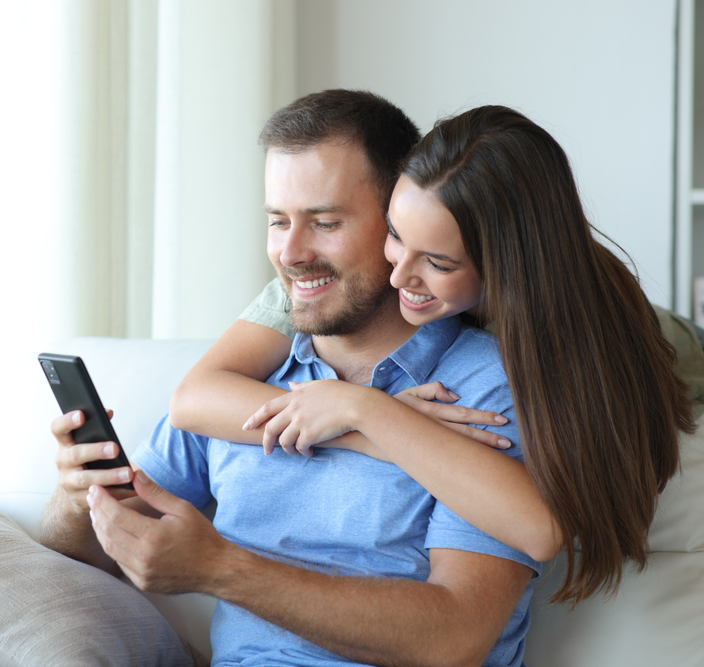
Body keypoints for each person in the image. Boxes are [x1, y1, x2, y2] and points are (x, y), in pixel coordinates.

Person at [39, 90, 539, 667]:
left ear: (400, 222)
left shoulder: (480, 387)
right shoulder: (243, 384)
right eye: (278, 221)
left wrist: (221, 570)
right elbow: (97, 552)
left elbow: (455, 637)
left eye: (325, 223)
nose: (291, 253)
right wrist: (77, 500)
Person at [170, 102, 697, 604]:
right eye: (396, 236)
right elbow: (194, 398)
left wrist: (365, 406)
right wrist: (367, 431)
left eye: (439, 262)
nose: (397, 277)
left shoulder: (552, 341)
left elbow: (540, 529)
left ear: (500, 268)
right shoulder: (325, 288)